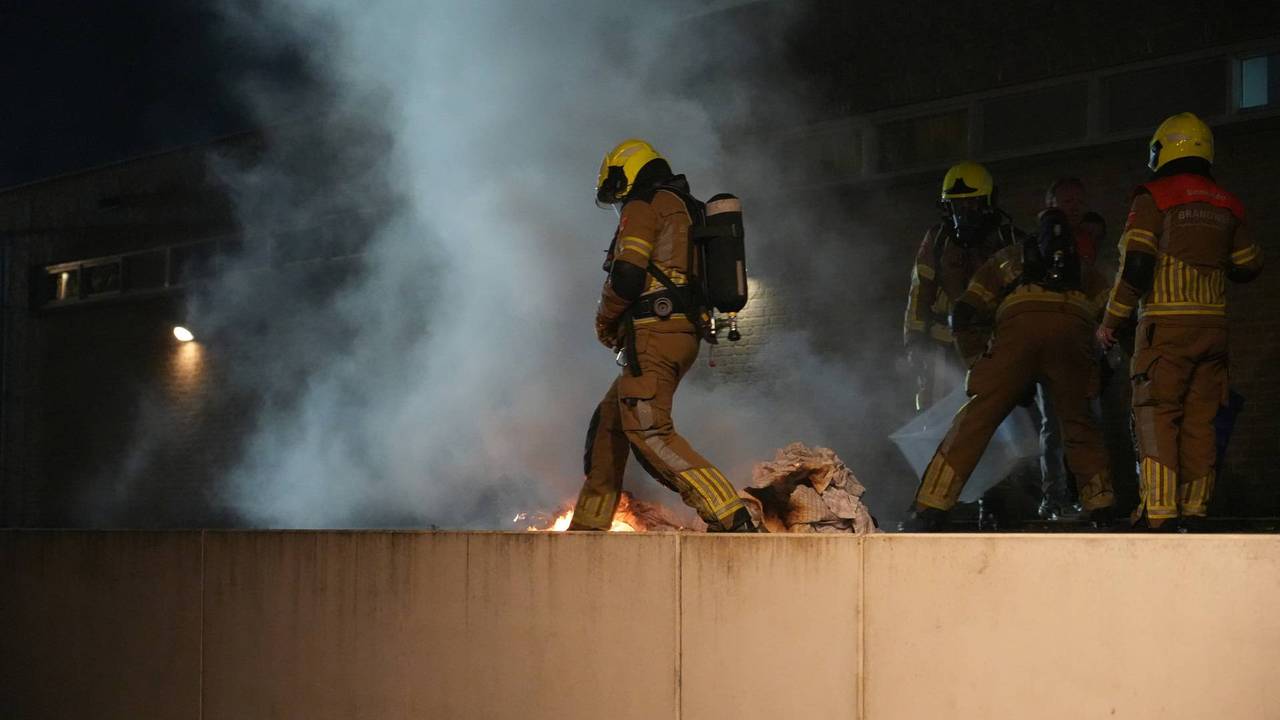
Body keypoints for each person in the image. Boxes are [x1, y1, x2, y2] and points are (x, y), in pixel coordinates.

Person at [568, 138, 756, 532]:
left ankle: (730, 514)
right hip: (678, 330)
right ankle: (588, 525)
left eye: (617, 189)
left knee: (649, 430)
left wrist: (605, 321)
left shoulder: (644, 205)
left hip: (655, 332)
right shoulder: (685, 207)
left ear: (627, 173)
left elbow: (627, 276)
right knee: (610, 421)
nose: (619, 201)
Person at [1097, 113, 1263, 530]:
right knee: (1201, 421)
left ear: (1163, 150)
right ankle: (1195, 509)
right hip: (1214, 330)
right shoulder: (1227, 203)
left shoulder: (1153, 197)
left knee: (1155, 412)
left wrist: (1111, 321)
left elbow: (1137, 266)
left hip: (1165, 328)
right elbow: (1249, 264)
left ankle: (1159, 513)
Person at [905, 208, 1118, 530]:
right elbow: (1113, 317)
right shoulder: (1086, 270)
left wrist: (979, 365)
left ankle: (931, 505)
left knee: (975, 422)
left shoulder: (1007, 260)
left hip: (1016, 334)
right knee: (1080, 423)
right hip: (1070, 337)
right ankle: (1100, 505)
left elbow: (963, 313)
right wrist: (1100, 369)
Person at [904, 162, 1019, 410]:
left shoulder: (1007, 241)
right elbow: (919, 293)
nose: (964, 214)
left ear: (988, 203)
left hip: (990, 346)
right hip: (943, 348)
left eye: (972, 204)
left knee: (992, 412)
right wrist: (914, 342)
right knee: (936, 414)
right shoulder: (938, 240)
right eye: (957, 206)